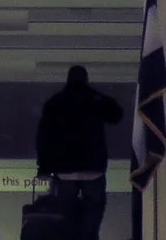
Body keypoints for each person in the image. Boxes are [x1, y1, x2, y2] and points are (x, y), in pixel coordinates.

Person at [33, 63, 123, 240]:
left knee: (64, 214)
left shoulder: (55, 102)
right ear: (86, 79)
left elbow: (43, 137)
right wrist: (95, 94)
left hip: (64, 170)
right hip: (93, 169)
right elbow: (117, 115)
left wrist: (43, 167)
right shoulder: (94, 100)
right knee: (94, 212)